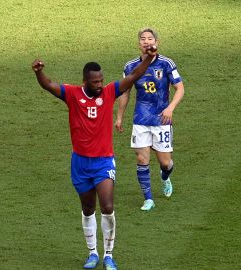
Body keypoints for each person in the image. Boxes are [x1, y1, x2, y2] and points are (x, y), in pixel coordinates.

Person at [32, 45, 158, 270]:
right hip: (80, 163)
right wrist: (39, 72)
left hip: (103, 161)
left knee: (107, 205)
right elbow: (49, 86)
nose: (100, 85)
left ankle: (109, 255)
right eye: (95, 82)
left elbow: (134, 75)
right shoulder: (72, 94)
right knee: (88, 208)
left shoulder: (110, 92)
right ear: (85, 81)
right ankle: (92, 253)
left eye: (101, 80)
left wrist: (148, 58)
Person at [115, 28, 185, 211]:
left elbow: (180, 88)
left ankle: (165, 176)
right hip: (141, 119)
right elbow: (125, 93)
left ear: (156, 42)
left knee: (165, 162)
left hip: (162, 119)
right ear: (139, 43)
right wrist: (120, 117)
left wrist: (170, 108)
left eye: (150, 38)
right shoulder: (130, 66)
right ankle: (148, 199)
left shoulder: (166, 64)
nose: (146, 41)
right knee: (141, 158)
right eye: (143, 39)